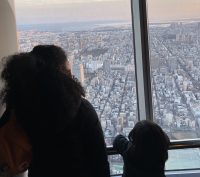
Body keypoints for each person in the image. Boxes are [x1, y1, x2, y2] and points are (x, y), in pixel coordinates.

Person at [0, 45, 110, 177]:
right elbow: (99, 162)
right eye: (68, 72)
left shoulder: (21, 107)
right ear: (60, 74)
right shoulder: (81, 110)